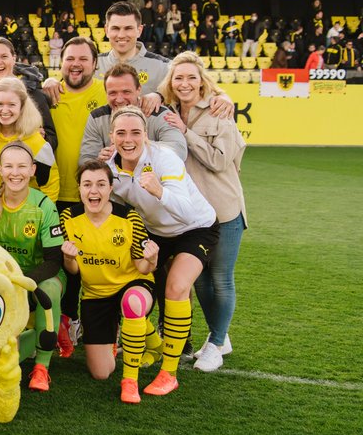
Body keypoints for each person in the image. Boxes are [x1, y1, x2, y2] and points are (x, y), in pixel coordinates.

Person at [106, 106, 218, 397]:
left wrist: (159, 191)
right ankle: (152, 346)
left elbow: (186, 211)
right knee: (133, 288)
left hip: (195, 227)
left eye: (135, 133)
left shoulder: (163, 158)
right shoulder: (111, 168)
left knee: (177, 286)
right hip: (155, 233)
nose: (128, 139)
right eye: (121, 133)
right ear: (112, 136)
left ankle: (169, 373)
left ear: (146, 134)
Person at [160, 53, 247, 372]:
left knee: (220, 278)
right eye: (178, 78)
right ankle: (219, 338)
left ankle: (216, 341)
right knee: (199, 281)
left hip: (223, 209)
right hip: (191, 214)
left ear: (201, 81)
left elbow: (220, 160)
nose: (184, 84)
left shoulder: (218, 110)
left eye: (191, 78)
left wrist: (185, 132)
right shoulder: (166, 110)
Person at [60, 160, 161, 401]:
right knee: (101, 373)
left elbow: (142, 266)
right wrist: (68, 257)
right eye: (87, 184)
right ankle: (141, 339)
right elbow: (72, 271)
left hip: (132, 285)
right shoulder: (68, 218)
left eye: (100, 184)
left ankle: (131, 379)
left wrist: (154, 259)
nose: (93, 191)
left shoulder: (129, 219)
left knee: (132, 303)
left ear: (111, 188)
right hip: (95, 294)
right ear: (80, 189)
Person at [0, 141, 64, 392]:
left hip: (39, 275)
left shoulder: (44, 205)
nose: (16, 172)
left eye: (22, 166)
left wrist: (22, 284)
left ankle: (42, 366)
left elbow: (54, 261)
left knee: (50, 290)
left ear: (33, 170)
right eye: (9, 166)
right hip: (0, 275)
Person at [48, 37, 107, 354]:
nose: (76, 64)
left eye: (83, 59)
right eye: (70, 58)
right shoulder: (49, 92)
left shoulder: (105, 92)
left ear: (95, 64)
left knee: (96, 261)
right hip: (57, 194)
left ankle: (102, 324)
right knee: (63, 262)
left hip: (95, 195)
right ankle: (65, 321)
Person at [0, 77, 60, 201]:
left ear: (22, 106)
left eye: (12, 105)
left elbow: (51, 184)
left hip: (20, 205)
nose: (5, 110)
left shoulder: (36, 142)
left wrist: (45, 214)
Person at [79, 63, 187, 164]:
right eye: (113, 93)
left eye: (126, 92)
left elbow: (179, 150)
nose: (119, 99)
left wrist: (136, 147)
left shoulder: (159, 114)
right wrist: (99, 161)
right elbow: (85, 160)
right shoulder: (97, 118)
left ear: (138, 89)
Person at [0, 37, 55, 149]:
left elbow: (52, 139)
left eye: (4, 56)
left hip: (16, 163)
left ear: (14, 58)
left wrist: (43, 137)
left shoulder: (32, 92)